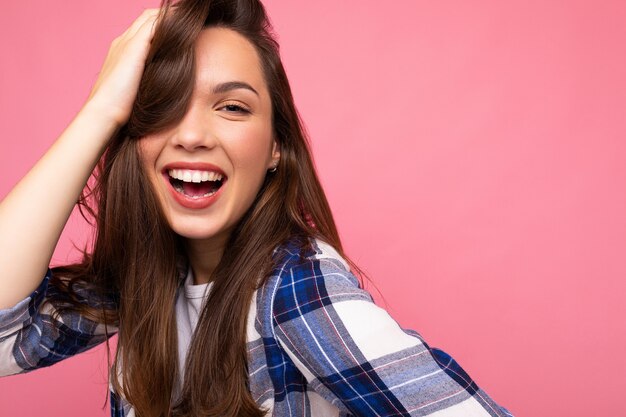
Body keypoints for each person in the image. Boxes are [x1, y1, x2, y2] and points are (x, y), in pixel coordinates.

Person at [0, 0, 514, 416]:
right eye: (165, 107)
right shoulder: (145, 280)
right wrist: (100, 111)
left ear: (275, 147)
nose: (194, 135)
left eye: (232, 107)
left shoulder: (293, 290)